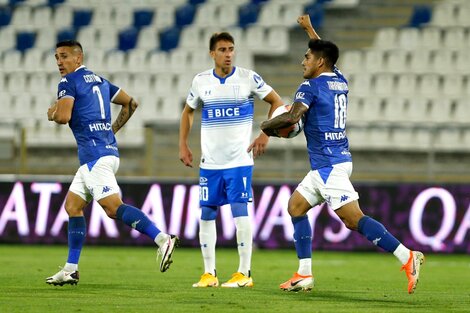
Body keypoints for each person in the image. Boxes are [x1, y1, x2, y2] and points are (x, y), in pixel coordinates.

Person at [260, 16, 425, 294]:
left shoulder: (309, 87)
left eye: (307, 57)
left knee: (353, 220)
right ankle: (304, 274)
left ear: (319, 62)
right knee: (296, 207)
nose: (303, 62)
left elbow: (292, 115)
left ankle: (407, 256)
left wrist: (265, 127)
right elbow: (327, 53)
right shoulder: (339, 79)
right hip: (336, 160)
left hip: (328, 165)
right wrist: (310, 31)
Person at [45, 40, 179, 286]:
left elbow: (63, 117)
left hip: (95, 157)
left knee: (112, 208)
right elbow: (132, 103)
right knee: (73, 206)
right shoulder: (100, 81)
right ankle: (71, 269)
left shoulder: (68, 82)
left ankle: (162, 238)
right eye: (56, 57)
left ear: (78, 58)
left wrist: (52, 113)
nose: (59, 62)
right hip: (102, 154)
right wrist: (111, 131)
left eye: (64, 56)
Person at [179, 32, 284, 288]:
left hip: (239, 160)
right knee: (206, 213)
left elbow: (276, 101)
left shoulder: (248, 78)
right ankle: (208, 274)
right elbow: (188, 111)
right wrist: (183, 144)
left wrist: (265, 133)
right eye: (223, 50)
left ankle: (244, 273)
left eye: (231, 49)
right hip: (210, 162)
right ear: (212, 53)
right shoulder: (201, 81)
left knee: (240, 212)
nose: (228, 54)